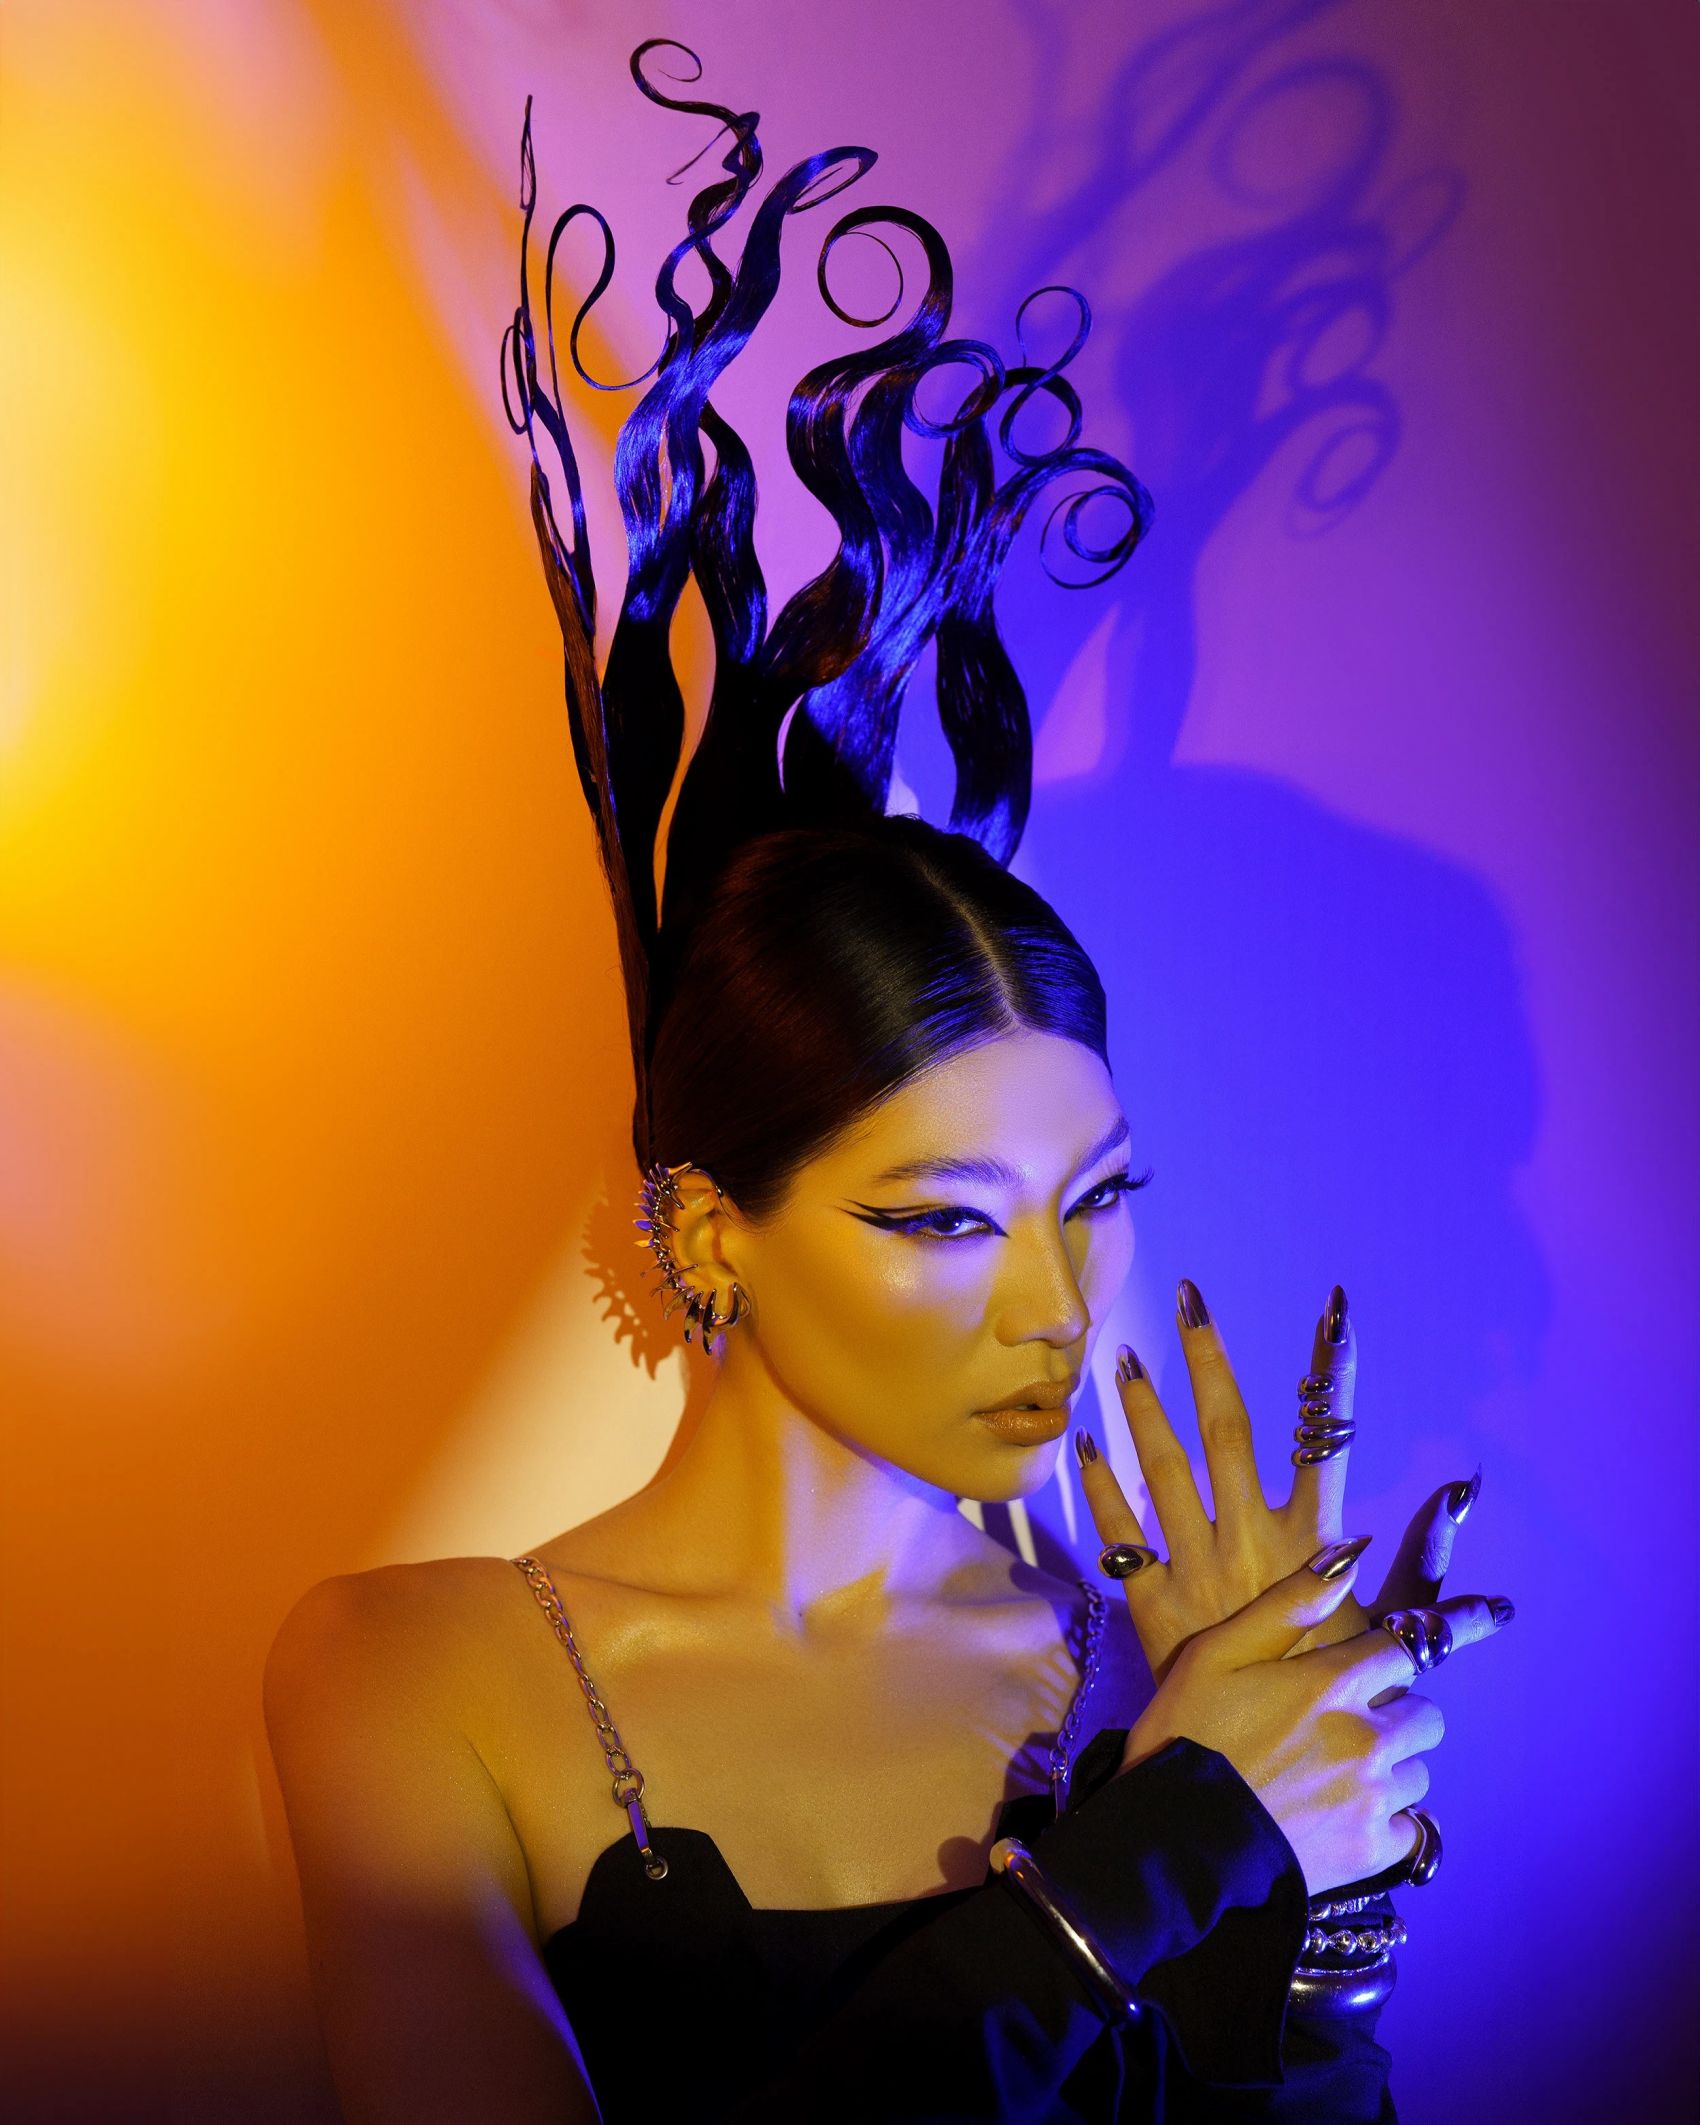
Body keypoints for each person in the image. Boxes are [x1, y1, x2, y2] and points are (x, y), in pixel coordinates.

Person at [263, 41, 1512, 2124]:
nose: (1056, 1311)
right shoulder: (411, 1670)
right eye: (940, 1217)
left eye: (1095, 1203)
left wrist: (1329, 1912)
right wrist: (1178, 1839)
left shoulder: (1152, 1666)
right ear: (707, 1227)